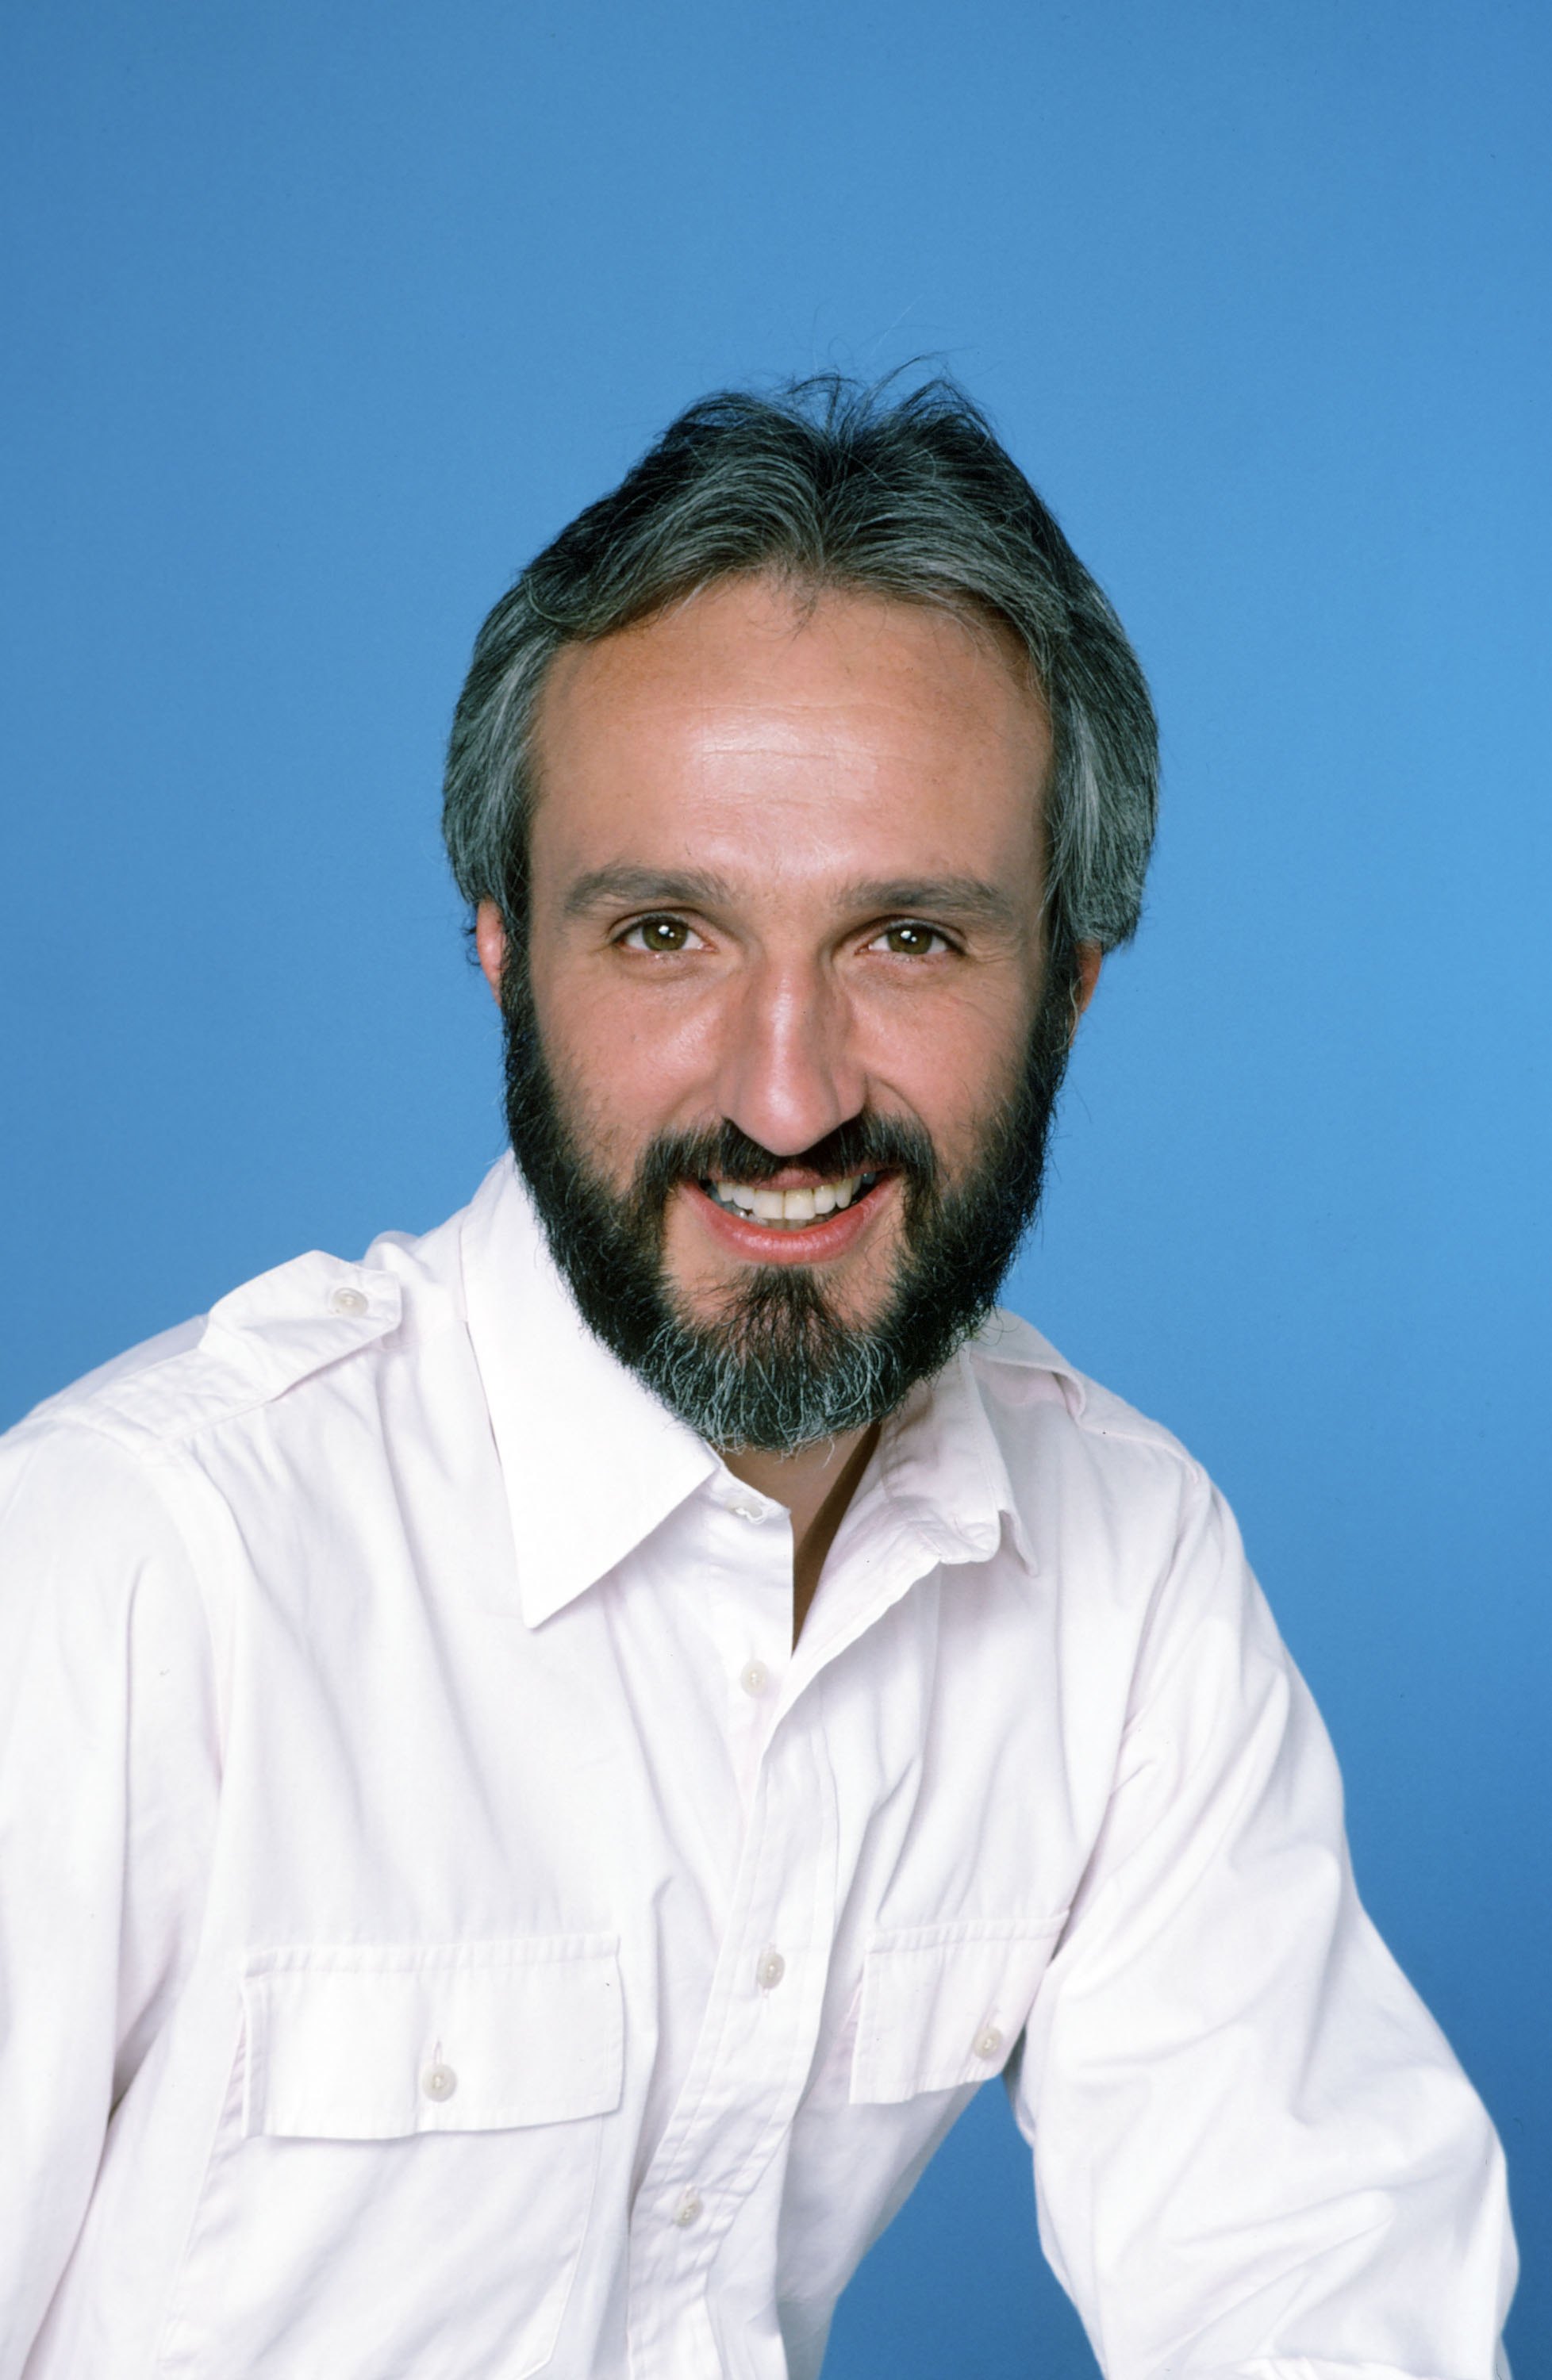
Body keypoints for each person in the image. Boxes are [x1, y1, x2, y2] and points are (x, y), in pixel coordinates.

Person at [0, 376, 1515, 2380]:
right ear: (498, 954)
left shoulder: (1125, 1573)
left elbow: (1323, 2302)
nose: (785, 1100)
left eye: (905, 937)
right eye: (662, 934)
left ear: (1067, 978)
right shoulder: (129, 1570)